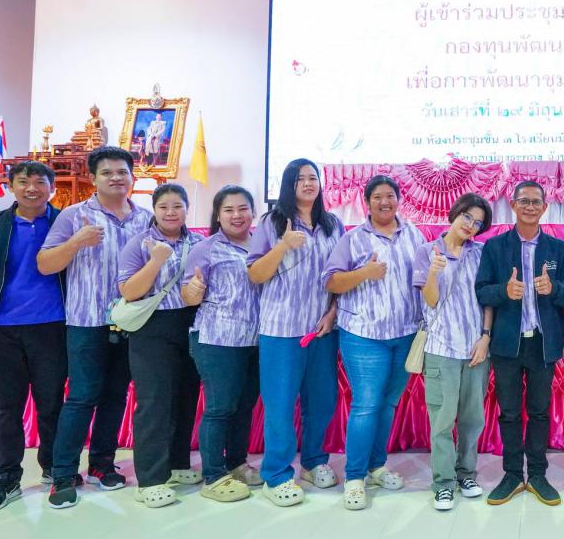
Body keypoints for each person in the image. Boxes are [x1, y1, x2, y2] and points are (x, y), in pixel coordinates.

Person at [39, 146, 153, 509]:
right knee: (82, 396)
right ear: (93, 178)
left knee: (115, 396)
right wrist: (76, 242)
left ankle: (103, 464)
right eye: (107, 172)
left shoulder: (146, 218)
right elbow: (45, 263)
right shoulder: (74, 215)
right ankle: (62, 474)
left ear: (132, 176)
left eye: (122, 172)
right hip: (86, 320)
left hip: (130, 321)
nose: (116, 178)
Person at [0, 161, 68, 514]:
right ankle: (5, 478)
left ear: (52, 188)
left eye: (40, 182)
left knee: (52, 405)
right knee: (7, 409)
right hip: (1, 330)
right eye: (23, 181)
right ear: (10, 186)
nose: (31, 188)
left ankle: (56, 470)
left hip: (52, 328)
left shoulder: (64, 223)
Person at [324, 175, 425, 510]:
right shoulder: (353, 239)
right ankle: (354, 477)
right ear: (367, 203)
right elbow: (331, 282)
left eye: (390, 196)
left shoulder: (415, 235)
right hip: (363, 335)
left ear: (398, 199)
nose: (385, 202)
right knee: (366, 404)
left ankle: (376, 466)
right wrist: (363, 274)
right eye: (378, 197)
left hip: (405, 334)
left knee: (389, 403)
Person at [247, 158, 344, 507]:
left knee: (322, 401)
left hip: (322, 329)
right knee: (280, 404)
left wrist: (333, 312)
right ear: (288, 184)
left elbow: (341, 274)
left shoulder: (333, 225)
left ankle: (314, 461)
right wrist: (283, 245)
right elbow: (256, 274)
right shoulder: (272, 222)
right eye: (300, 178)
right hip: (281, 329)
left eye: (313, 177)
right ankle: (276, 474)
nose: (308, 183)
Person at [475, 181, 564, 506]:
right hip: (507, 343)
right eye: (524, 201)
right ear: (513, 205)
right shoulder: (495, 247)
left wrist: (553, 289)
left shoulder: (559, 249)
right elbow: (481, 291)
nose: (530, 207)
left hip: (543, 344)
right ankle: (513, 474)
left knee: (540, 411)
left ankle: (539, 475)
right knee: (509, 412)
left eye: (536, 202)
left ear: (545, 207)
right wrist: (504, 291)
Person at [117, 183, 204, 508]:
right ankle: (150, 480)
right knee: (154, 401)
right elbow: (129, 292)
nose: (171, 212)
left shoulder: (199, 242)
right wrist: (155, 261)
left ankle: (178, 464)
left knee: (185, 397)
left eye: (177, 206)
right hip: (151, 328)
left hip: (191, 325)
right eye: (164, 206)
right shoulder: (139, 243)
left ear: (186, 209)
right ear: (153, 210)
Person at [411, 194, 494, 511]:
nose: (471, 225)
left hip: (475, 349)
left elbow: (487, 300)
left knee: (473, 418)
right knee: (442, 420)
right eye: (467, 217)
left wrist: (485, 337)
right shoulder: (427, 251)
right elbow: (431, 300)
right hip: (441, 349)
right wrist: (434, 271)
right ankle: (443, 483)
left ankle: (466, 475)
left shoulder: (481, 253)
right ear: (455, 213)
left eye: (478, 222)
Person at [182, 185, 263, 503]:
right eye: (228, 210)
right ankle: (214, 474)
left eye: (243, 208)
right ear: (218, 215)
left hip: (256, 339)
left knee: (244, 406)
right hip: (217, 339)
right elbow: (188, 295)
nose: (236, 215)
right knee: (220, 407)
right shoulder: (206, 248)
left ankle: (237, 463)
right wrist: (194, 289)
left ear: (253, 212)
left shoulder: (262, 245)